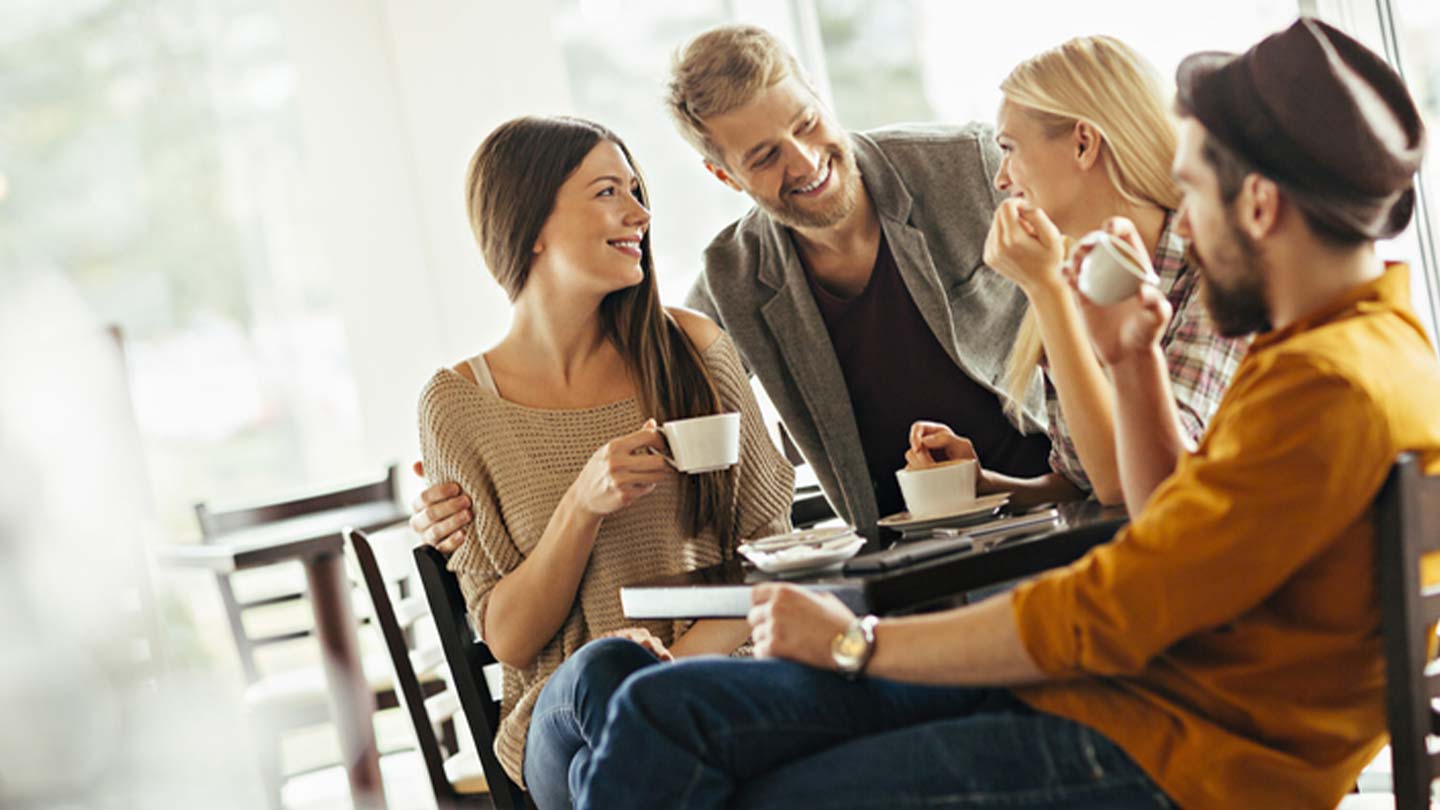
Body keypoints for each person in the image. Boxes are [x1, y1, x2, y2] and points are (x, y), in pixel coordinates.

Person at [576, 18, 1439, 809]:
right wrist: (1129, 356)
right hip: (1123, 697)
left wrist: (857, 644)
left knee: (741, 775)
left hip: (1172, 749)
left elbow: (1114, 606)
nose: (1183, 226)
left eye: (1191, 191)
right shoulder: (1359, 352)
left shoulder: (1326, 390)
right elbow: (1173, 524)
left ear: (1256, 205)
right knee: (663, 704)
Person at [412, 24, 1051, 542]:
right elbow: (645, 396)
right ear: (726, 178)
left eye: (804, 124)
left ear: (819, 97)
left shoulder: (969, 167)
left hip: (1062, 501)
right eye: (764, 156)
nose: (804, 162)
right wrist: (464, 490)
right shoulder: (731, 281)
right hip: (907, 562)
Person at [417, 115, 794, 809]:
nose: (640, 213)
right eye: (607, 192)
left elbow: (770, 553)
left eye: (636, 189)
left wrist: (666, 685)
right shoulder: (460, 405)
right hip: (565, 717)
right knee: (607, 670)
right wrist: (581, 505)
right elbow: (509, 640)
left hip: (718, 681)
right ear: (529, 224)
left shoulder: (694, 350)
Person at [906, 36, 1246, 508]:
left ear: (1084, 144)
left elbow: (1130, 488)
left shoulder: (1214, 278)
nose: (1001, 179)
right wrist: (983, 484)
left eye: (1009, 147)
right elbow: (1080, 480)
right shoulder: (1081, 272)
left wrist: (1045, 290)